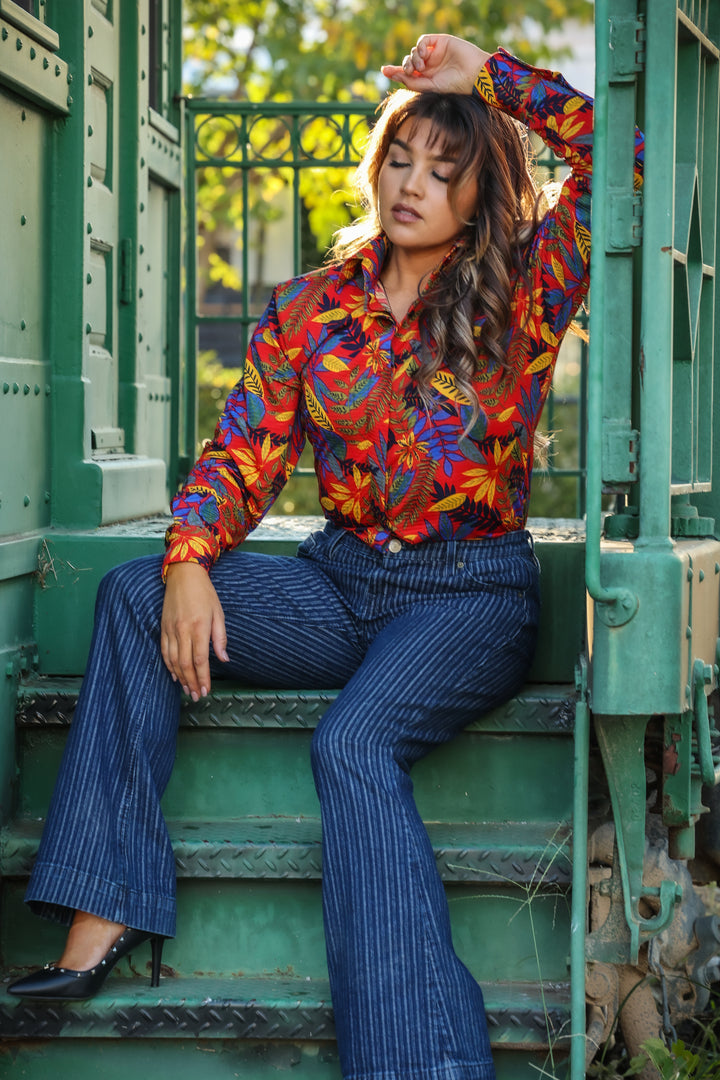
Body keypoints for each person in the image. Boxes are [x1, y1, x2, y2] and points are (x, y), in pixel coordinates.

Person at [8, 32, 643, 1080]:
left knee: (352, 747)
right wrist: (187, 559)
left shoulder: (526, 291)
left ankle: (420, 1061)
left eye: (445, 171)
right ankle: (103, 908)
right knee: (129, 597)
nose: (413, 184)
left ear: (482, 196)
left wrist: (485, 77)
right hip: (341, 585)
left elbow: (625, 149)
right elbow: (241, 455)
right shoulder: (313, 308)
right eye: (402, 156)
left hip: (468, 597)